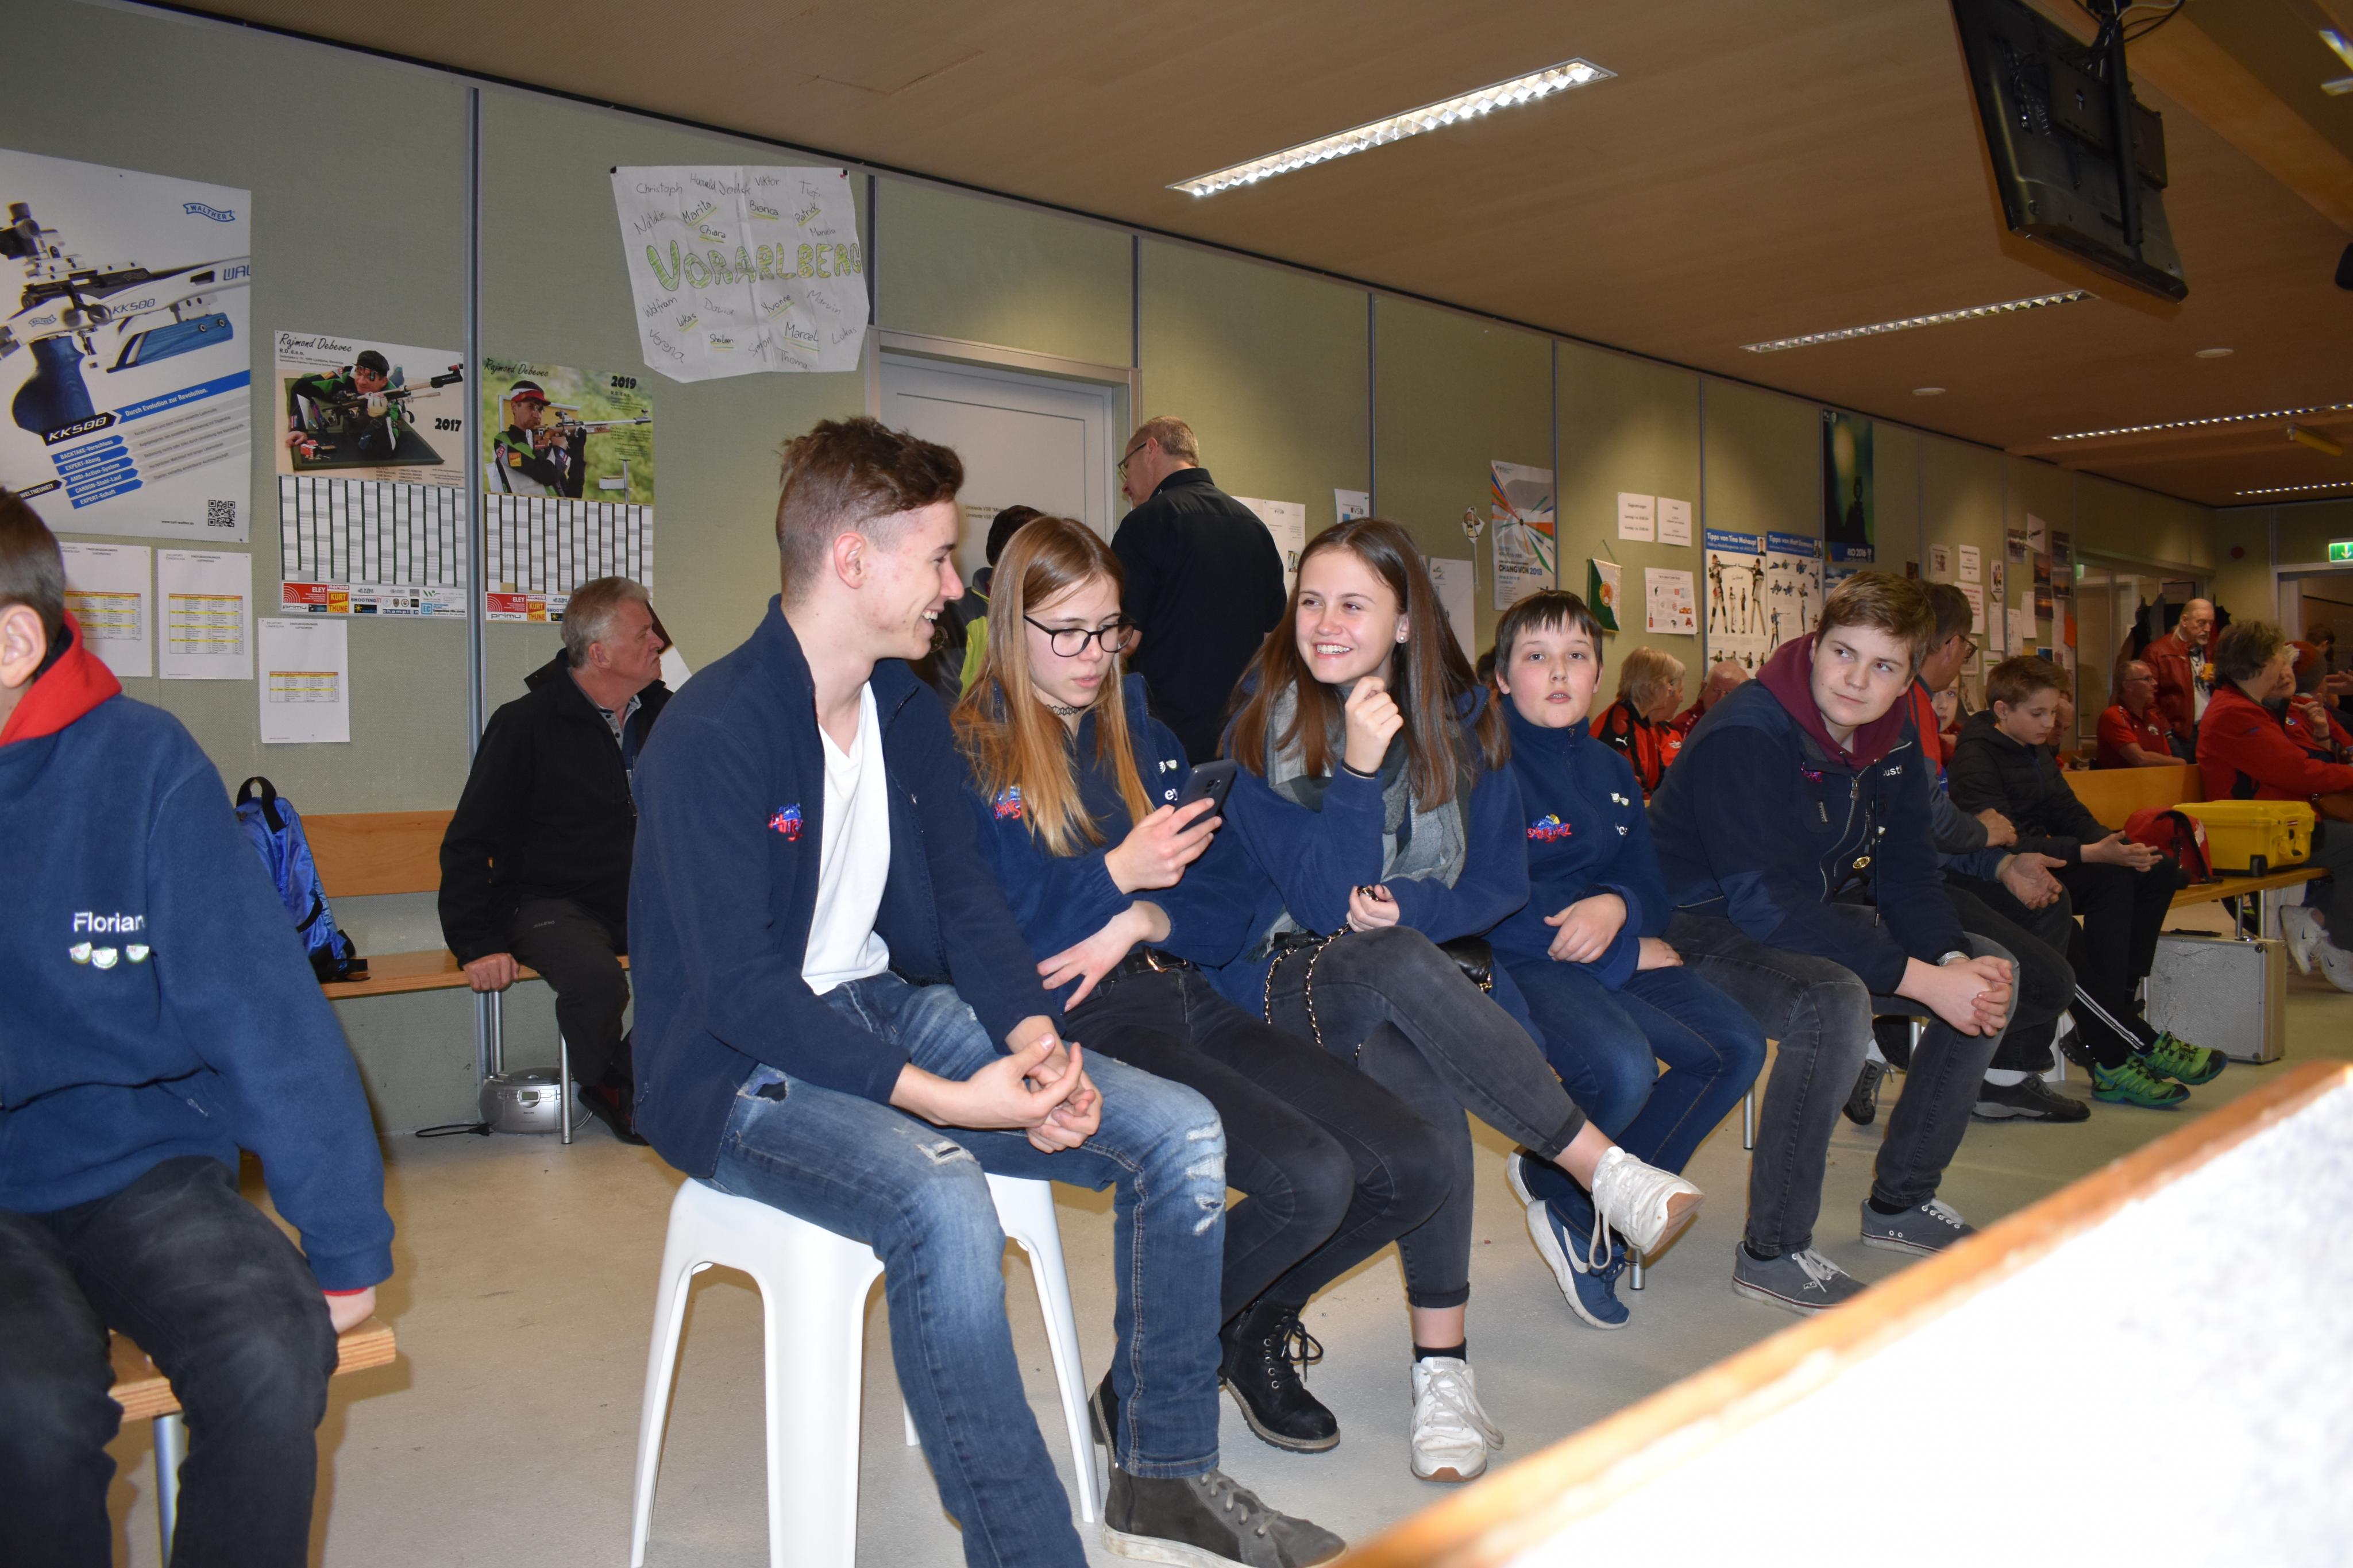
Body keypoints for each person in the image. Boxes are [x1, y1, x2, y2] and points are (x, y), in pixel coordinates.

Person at [626, 418, 1342, 1568]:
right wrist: (953, 1101)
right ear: (851, 560)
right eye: (935, 559)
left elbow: (966, 908)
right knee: (942, 1196)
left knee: (1179, 1137)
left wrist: (1031, 1043)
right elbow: (740, 993)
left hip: (875, 1005)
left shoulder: (902, 710)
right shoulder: (714, 730)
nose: (956, 588)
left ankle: (1161, 1474)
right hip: (728, 1069)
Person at [1216, 517, 1703, 1482]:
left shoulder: (1464, 723)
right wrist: (1359, 769)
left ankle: (1443, 1374)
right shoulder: (1263, 720)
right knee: (1394, 963)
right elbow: (1322, 898)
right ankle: (1600, 1168)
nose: (1325, 622)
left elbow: (1497, 884)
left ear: (1404, 622)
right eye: (1310, 601)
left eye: (1353, 604)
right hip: (1277, 977)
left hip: (1408, 974)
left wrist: (1416, 904)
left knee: (1428, 1086)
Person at [954, 514, 1446, 1454]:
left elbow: (1223, 910)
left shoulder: (1145, 737)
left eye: (1110, 630)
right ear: (1011, 626)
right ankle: (1151, 1376)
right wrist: (1117, 875)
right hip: (1083, 1021)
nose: (1094, 655)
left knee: (1411, 1163)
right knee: (1311, 1178)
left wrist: (1145, 917)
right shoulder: (972, 754)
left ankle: (1243, 1326)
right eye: (1068, 633)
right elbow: (991, 939)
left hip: (1185, 990)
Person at [0, 492, 394, 1568]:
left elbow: (262, 1010)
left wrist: (343, 1239)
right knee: (28, 1415)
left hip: (143, 1164)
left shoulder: (143, 763)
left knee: (272, 1347)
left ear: (13, 643)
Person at [1648, 572, 2020, 1315]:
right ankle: (1773, 1251)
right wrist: (1919, 980)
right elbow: (1763, 906)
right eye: (1844, 653)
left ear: (1909, 678)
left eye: (1883, 666)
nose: (1856, 680)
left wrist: (1949, 962)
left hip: (1794, 911)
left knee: (1988, 970)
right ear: (1815, 643)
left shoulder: (1893, 736)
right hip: (1690, 924)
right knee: (1832, 1001)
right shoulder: (1748, 732)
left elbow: (1908, 873)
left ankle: (1901, 1201)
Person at [1481, 591, 1765, 1330]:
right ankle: (1573, 1183)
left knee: (1734, 1047)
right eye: (1536, 657)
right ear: (1502, 678)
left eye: (1576, 656)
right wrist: (1621, 947)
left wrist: (1617, 908)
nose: (1558, 672)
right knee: (1622, 1068)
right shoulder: (1482, 762)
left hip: (1604, 949)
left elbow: (1648, 884)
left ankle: (1575, 1203)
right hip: (1519, 958)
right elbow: (1493, 902)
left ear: (1599, 675)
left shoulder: (1610, 769)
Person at [439, 577, 670, 1142]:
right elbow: (469, 839)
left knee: (722, 958)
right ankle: (608, 1084)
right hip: (547, 903)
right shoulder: (526, 724)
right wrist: (476, 941)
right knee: (596, 981)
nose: (659, 643)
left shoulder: (671, 717)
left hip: (641, 897)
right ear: (600, 653)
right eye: (644, 633)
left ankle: (630, 1078)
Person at [1949, 656, 2227, 1106]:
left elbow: (2068, 811)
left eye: (2053, 712)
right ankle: (2115, 1047)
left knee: (2152, 871)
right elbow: (2002, 841)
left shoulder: (2032, 747)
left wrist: (2112, 844)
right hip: (2004, 873)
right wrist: (2090, 853)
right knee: (2106, 886)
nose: (2049, 724)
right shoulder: (1976, 758)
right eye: (2038, 714)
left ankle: (2115, 1011)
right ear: (2002, 711)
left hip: (2044, 859)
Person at [1112, 416, 1287, 762]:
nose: (1126, 485)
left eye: (1126, 466)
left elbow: (1125, 639)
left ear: (1151, 449)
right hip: (1241, 735)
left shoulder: (1144, 524)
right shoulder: (1255, 527)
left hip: (1166, 738)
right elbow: (1273, 640)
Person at [2198, 621, 2353, 994]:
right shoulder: (2236, 714)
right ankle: (2331, 934)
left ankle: (2319, 922)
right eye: (2278, 658)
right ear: (2260, 662)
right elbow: (2298, 771)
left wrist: (2284, 700)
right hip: (2255, 831)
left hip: (2277, 822)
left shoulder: (2249, 707)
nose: (2285, 666)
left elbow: (2293, 762)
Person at [913, 503, 1040, 706]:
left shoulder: (1044, 616)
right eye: (1033, 557)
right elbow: (943, 703)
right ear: (1003, 556)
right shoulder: (958, 613)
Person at [1590, 645, 1685, 800]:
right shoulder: (1620, 727)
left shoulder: (1643, 723)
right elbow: (1634, 793)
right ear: (1652, 685)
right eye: (1669, 683)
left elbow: (1661, 780)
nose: (1671, 689)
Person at [284, 347, 396, 461]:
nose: (361, 381)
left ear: (384, 381)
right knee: (308, 377)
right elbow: (301, 386)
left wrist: (380, 416)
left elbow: (386, 452)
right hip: (339, 405)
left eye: (371, 377)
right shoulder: (345, 376)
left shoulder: (394, 399)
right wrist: (298, 428)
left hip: (363, 433)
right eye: (359, 373)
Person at [2142, 597, 2216, 759]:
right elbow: (2147, 699)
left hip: (2211, 731)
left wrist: (2219, 679)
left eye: (2211, 623)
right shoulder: (2158, 651)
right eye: (2202, 623)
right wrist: (2167, 733)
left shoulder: (2211, 651)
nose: (2208, 629)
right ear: (2184, 621)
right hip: (2180, 734)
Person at [488, 379, 588, 499]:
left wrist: (578, 450)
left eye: (540, 409)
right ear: (514, 407)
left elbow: (574, 496)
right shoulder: (505, 441)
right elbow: (547, 476)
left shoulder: (545, 446)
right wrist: (559, 449)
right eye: (531, 407)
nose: (537, 414)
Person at [2096, 661, 2177, 768]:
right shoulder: (2113, 716)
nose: (2155, 683)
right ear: (2128, 686)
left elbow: (2168, 759)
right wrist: (2182, 763)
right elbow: (2140, 759)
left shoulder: (2153, 718)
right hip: (2123, 779)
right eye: (2147, 679)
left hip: (2154, 778)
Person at [1671, 658, 1746, 737]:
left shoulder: (1745, 723)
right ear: (1704, 688)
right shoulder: (1684, 727)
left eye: (1728, 693)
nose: (1720, 699)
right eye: (1716, 690)